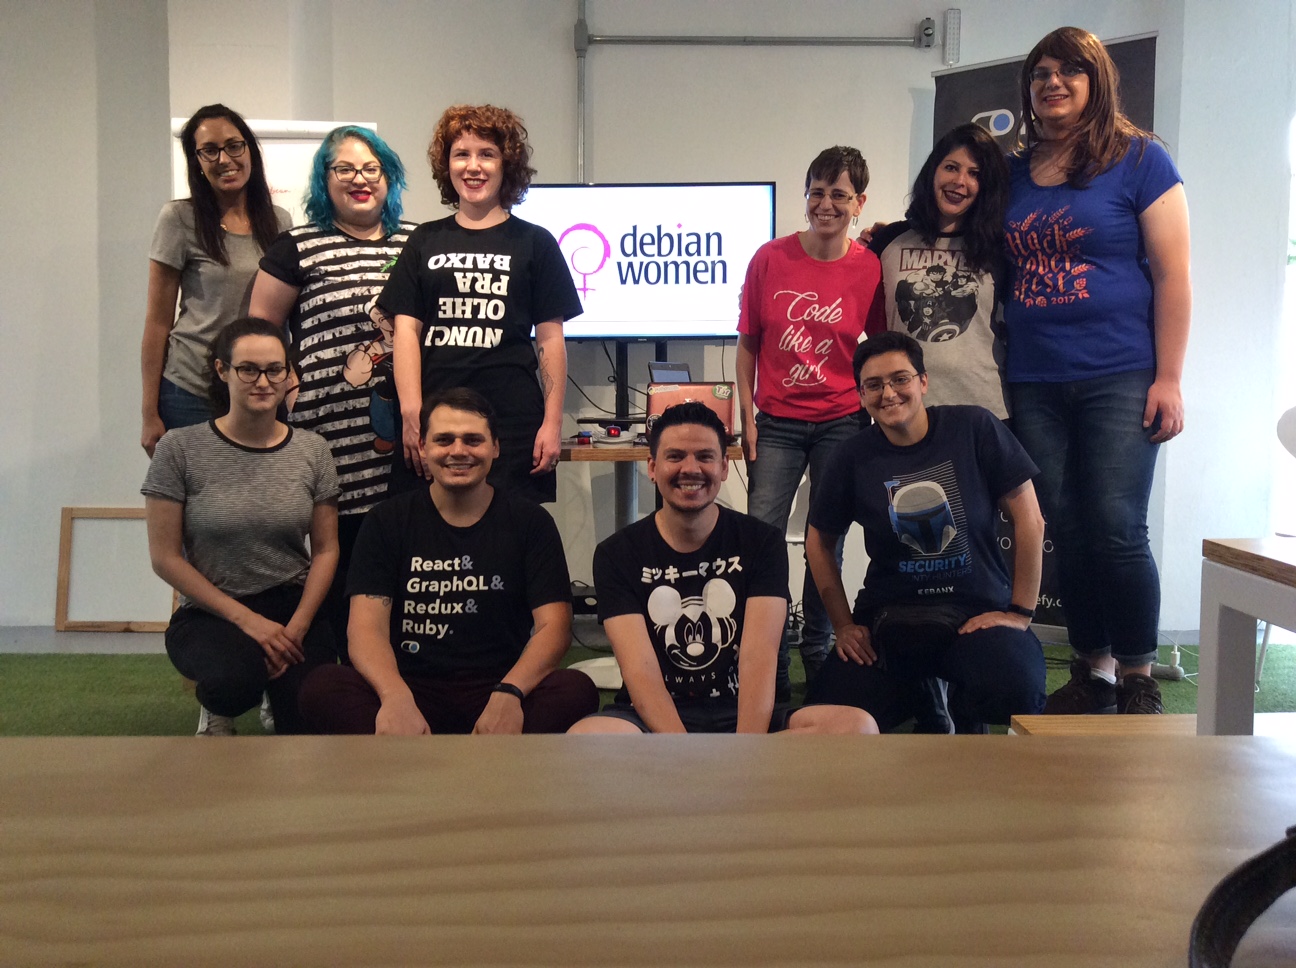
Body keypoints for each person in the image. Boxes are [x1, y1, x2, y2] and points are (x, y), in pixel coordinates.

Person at [1003, 27, 1191, 715]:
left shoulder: (1140, 160)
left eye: (1069, 71)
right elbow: (957, 225)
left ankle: (1138, 673)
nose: (1052, 83)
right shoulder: (1016, 172)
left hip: (1120, 372)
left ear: (1097, 81)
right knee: (1069, 528)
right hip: (1033, 377)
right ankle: (1094, 669)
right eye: (1041, 73)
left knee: (1116, 525)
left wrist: (1168, 377)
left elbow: (1174, 275)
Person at [298, 388, 598, 734]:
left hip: (499, 687)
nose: (458, 451)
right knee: (322, 687)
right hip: (410, 686)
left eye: (473, 440)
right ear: (423, 448)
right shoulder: (386, 520)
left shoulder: (531, 523)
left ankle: (413, 767)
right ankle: (480, 765)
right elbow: (366, 628)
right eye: (444, 440)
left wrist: (510, 693)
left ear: (495, 447)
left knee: (576, 689)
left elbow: (554, 628)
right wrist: (394, 696)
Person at [569, 403, 876, 736]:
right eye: (675, 457)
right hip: (654, 725)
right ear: (653, 467)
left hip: (743, 718)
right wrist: (686, 754)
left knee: (857, 727)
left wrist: (741, 757)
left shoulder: (761, 542)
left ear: (724, 467)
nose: (691, 469)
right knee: (589, 738)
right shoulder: (616, 554)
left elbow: (759, 660)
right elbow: (642, 675)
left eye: (705, 456)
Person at [803, 333, 1047, 732]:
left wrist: (1019, 612)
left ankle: (967, 716)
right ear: (861, 394)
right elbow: (819, 541)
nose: (888, 393)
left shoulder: (974, 427)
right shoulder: (852, 455)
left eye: (900, 379)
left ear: (923, 382)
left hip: (976, 614)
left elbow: (1030, 520)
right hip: (890, 621)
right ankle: (924, 695)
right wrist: (844, 626)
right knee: (828, 716)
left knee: (1015, 687)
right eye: (874, 385)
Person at [249, 126, 418, 651]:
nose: (360, 179)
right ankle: (332, 681)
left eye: (372, 168)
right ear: (326, 181)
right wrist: (291, 390)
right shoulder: (298, 245)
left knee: (400, 555)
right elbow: (261, 331)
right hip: (326, 434)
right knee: (338, 559)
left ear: (389, 177)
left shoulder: (419, 241)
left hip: (404, 436)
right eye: (344, 169)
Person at [143, 318, 340, 736]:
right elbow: (163, 558)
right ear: (222, 371)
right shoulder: (179, 449)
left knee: (311, 714)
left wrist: (297, 628)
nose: (263, 381)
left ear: (289, 374)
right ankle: (219, 706)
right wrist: (248, 622)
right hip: (213, 612)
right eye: (248, 369)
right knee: (235, 682)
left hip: (292, 607)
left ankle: (276, 692)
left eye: (275, 369)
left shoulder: (312, 449)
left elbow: (326, 550)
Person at [736, 146, 884, 698]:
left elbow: (879, 346)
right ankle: (769, 659)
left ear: (858, 203)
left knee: (828, 539)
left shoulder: (868, 267)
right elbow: (747, 344)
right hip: (775, 422)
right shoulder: (769, 259)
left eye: (839, 194)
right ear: (806, 197)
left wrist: (875, 406)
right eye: (817, 192)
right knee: (764, 539)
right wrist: (747, 417)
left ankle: (817, 650)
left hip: (843, 421)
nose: (826, 204)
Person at [379, 104, 581, 505]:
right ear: (446, 165)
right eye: (461, 154)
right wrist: (411, 412)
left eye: (486, 153)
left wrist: (553, 421)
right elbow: (405, 331)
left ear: (507, 164)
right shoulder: (424, 241)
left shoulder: (536, 243)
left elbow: (550, 339)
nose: (474, 166)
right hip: (436, 421)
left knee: (510, 541)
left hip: (513, 420)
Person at [141, 104, 291, 456]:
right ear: (197, 160)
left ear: (249, 148)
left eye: (234, 146)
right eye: (210, 150)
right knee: (197, 506)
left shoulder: (280, 222)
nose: (225, 159)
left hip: (261, 387)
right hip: (191, 390)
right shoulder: (179, 219)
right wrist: (149, 412)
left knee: (257, 501)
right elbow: (157, 321)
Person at [868, 122, 1011, 417]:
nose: (960, 181)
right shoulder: (887, 241)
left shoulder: (998, 247)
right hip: (907, 409)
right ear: (933, 171)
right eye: (951, 167)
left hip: (986, 409)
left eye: (975, 174)